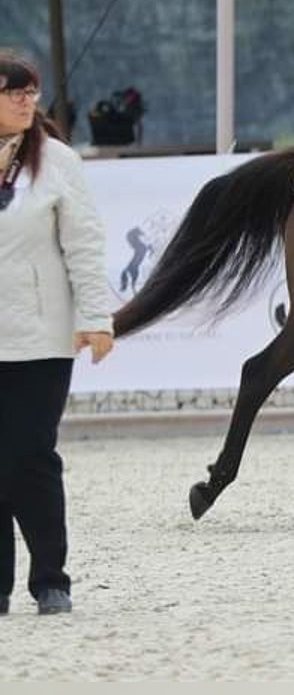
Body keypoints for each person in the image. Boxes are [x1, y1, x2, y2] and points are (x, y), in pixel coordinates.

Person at [0, 51, 114, 616]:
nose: (27, 101)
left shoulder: (58, 162)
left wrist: (96, 318)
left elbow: (85, 245)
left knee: (28, 454)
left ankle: (51, 577)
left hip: (40, 338)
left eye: (32, 91)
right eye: (13, 91)